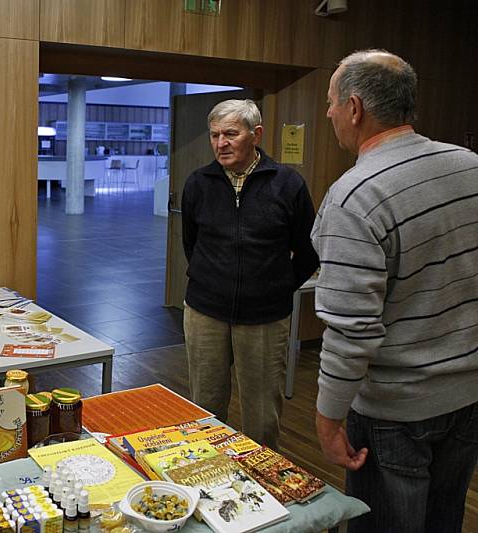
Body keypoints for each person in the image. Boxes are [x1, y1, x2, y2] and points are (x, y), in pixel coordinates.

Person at [313, 49, 478, 533]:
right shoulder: (470, 165)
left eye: (331, 102)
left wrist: (327, 419)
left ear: (356, 108)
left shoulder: (355, 196)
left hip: (394, 411)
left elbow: (352, 330)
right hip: (468, 397)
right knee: (443, 521)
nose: (327, 114)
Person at [181, 99, 318, 450]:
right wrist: (208, 279)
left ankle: (262, 487)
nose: (220, 143)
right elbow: (191, 244)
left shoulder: (287, 184)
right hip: (205, 312)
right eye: (214, 135)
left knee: (261, 413)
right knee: (205, 408)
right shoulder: (199, 183)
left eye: (230, 133)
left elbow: (308, 251)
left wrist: (278, 287)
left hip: (264, 318)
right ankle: (207, 475)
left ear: (255, 134)